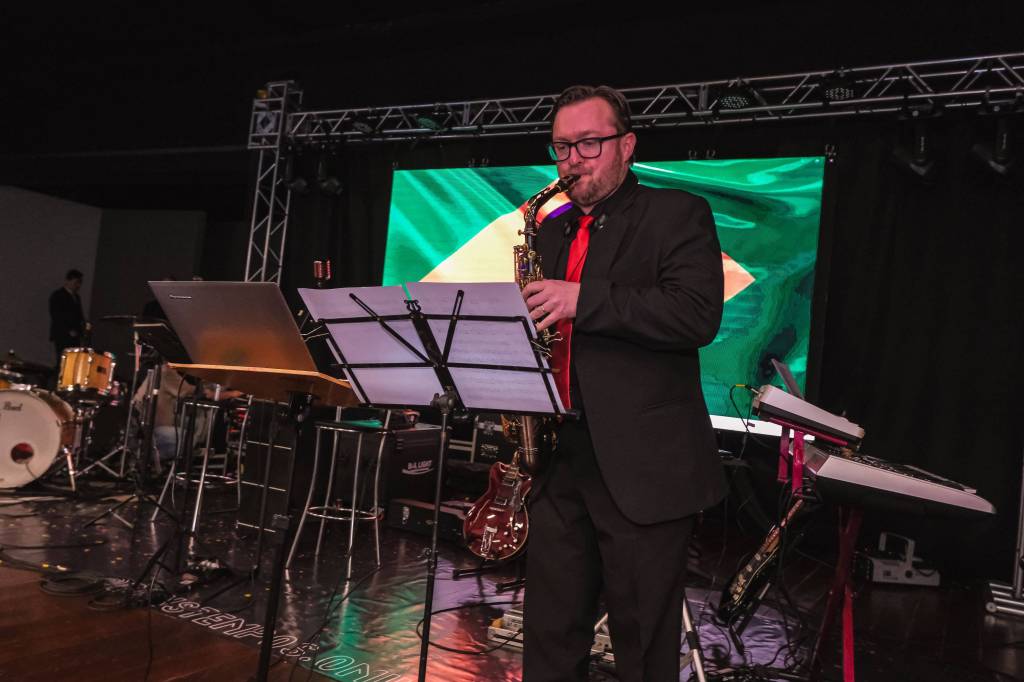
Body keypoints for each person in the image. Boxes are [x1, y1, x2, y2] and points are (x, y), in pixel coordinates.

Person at [519, 85, 728, 681]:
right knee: (549, 637)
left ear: (627, 145)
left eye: (589, 143)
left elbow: (696, 316)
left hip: (644, 467)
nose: (573, 161)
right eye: (562, 147)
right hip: (559, 457)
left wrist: (582, 300)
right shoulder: (550, 229)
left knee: (642, 647)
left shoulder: (677, 213)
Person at [49, 269, 86, 367]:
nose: (78, 285)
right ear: (68, 281)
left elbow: (79, 315)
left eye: (79, 283)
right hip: (62, 334)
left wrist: (82, 329)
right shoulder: (58, 295)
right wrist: (68, 330)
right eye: (76, 282)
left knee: (72, 362)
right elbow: (56, 316)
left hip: (75, 335)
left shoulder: (76, 297)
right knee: (63, 360)